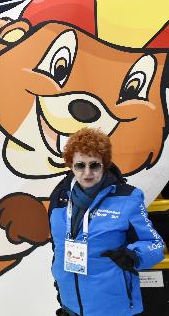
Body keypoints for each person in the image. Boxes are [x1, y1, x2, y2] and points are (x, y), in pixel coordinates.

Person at [49, 128, 165, 316]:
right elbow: (57, 248)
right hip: (71, 305)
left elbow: (155, 245)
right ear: (71, 165)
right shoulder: (59, 199)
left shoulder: (128, 197)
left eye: (94, 165)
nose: (87, 173)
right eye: (80, 165)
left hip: (113, 307)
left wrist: (133, 255)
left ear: (105, 164)